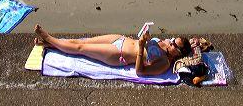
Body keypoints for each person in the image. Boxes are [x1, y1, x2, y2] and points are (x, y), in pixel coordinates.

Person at [34, 24, 191, 76]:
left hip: (118, 55)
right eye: (173, 40)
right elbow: (149, 43)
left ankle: (48, 38)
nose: (170, 42)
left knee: (81, 48)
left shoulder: (164, 63)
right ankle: (51, 45)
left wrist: (142, 46)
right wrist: (147, 37)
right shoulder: (164, 44)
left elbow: (140, 72)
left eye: (174, 45)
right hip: (121, 39)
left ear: (178, 53)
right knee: (84, 41)